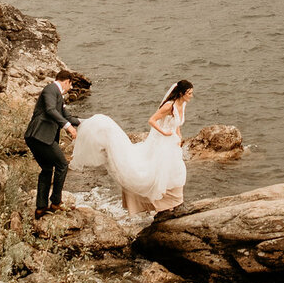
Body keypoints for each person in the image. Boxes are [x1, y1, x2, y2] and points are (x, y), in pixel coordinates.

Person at [70, 78, 191, 215]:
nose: (191, 96)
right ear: (181, 93)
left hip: (173, 144)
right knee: (161, 174)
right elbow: (152, 120)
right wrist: (165, 132)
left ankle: (174, 204)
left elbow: (177, 124)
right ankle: (171, 205)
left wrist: (179, 136)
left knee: (176, 173)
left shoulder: (183, 105)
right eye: (189, 93)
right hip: (163, 142)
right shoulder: (169, 106)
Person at [23, 69, 82, 215]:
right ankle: (56, 202)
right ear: (67, 81)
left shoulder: (58, 96)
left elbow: (67, 116)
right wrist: (67, 127)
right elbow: (50, 110)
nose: (71, 89)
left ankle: (41, 207)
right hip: (40, 136)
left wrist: (85, 123)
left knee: (47, 169)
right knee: (62, 164)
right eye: (71, 85)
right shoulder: (50, 89)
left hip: (37, 137)